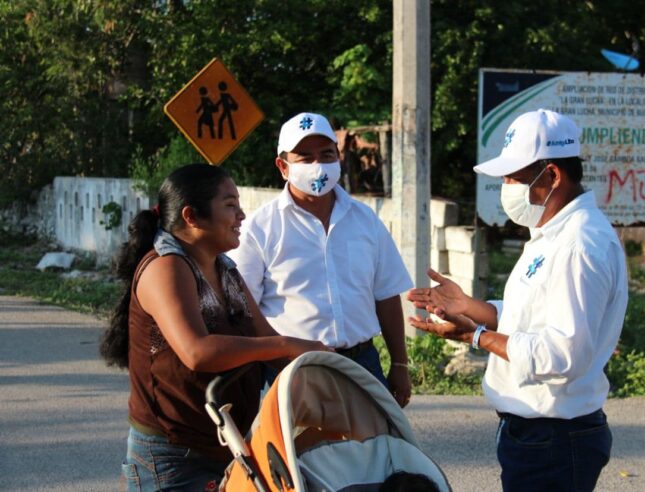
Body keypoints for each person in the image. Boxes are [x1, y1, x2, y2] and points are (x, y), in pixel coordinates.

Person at [407, 109, 628, 491]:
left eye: (514, 177)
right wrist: (469, 307)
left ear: (552, 175)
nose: (506, 186)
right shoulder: (551, 234)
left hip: (556, 439)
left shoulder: (578, 245)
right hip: (537, 434)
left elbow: (560, 355)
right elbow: (531, 316)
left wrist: (475, 337)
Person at [99, 164, 330, 491]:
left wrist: (321, 368)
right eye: (230, 205)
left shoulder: (225, 269)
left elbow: (264, 338)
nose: (242, 216)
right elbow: (197, 352)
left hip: (229, 446)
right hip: (172, 458)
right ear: (192, 216)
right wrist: (284, 346)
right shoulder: (166, 267)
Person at [228, 112, 414, 407]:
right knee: (303, 452)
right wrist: (274, 363)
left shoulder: (365, 220)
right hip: (291, 367)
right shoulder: (260, 228)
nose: (318, 166)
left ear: (338, 157)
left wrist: (400, 364)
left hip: (362, 362)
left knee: (371, 451)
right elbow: (243, 309)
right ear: (283, 166)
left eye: (326, 155)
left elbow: (387, 295)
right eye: (305, 157)